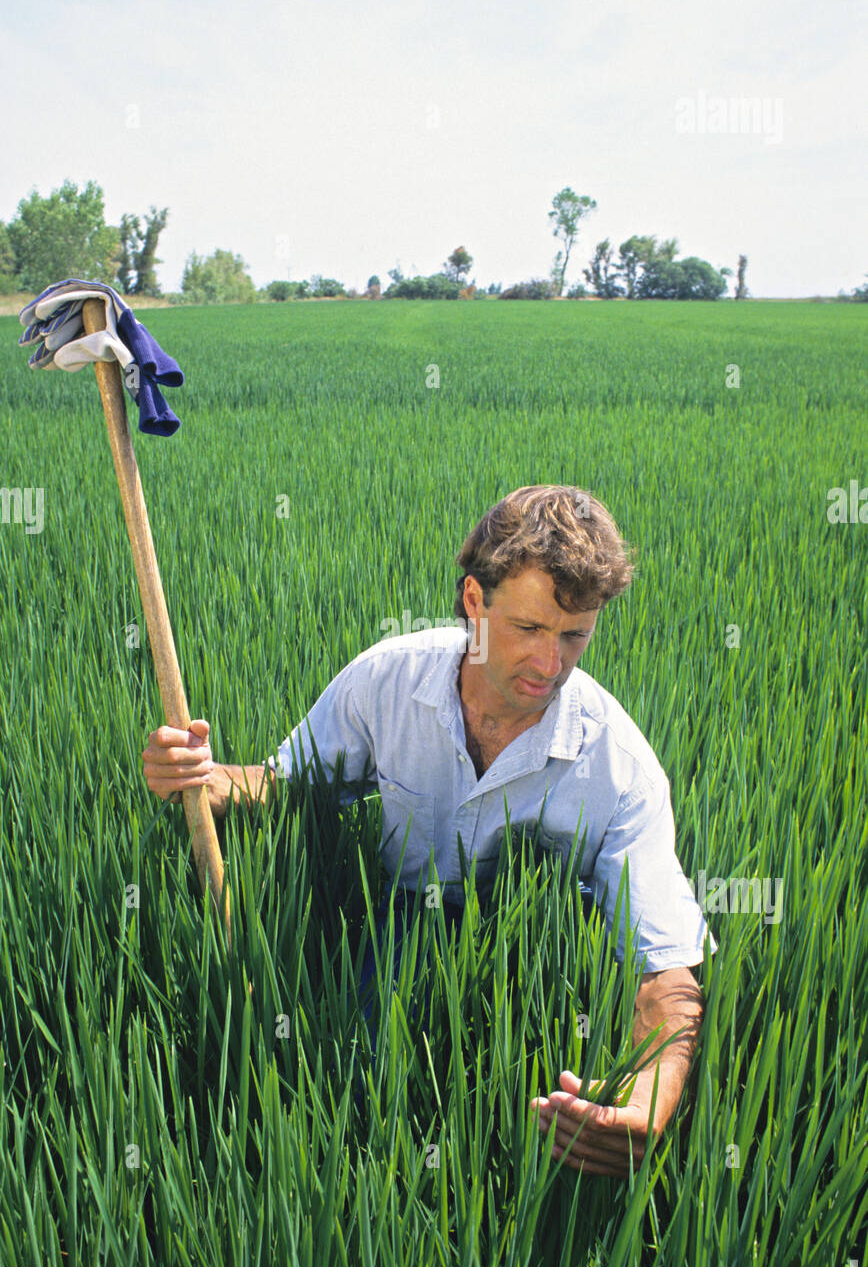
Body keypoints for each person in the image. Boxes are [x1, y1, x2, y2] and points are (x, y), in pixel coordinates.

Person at [142, 485, 716, 1178]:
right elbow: (285, 785)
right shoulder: (387, 681)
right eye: (530, 629)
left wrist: (647, 1101)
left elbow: (667, 971)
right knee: (325, 1106)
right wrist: (200, 777)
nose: (551, 664)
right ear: (475, 601)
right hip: (387, 939)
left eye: (575, 636)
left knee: (487, 1156)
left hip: (523, 988)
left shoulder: (619, 768)